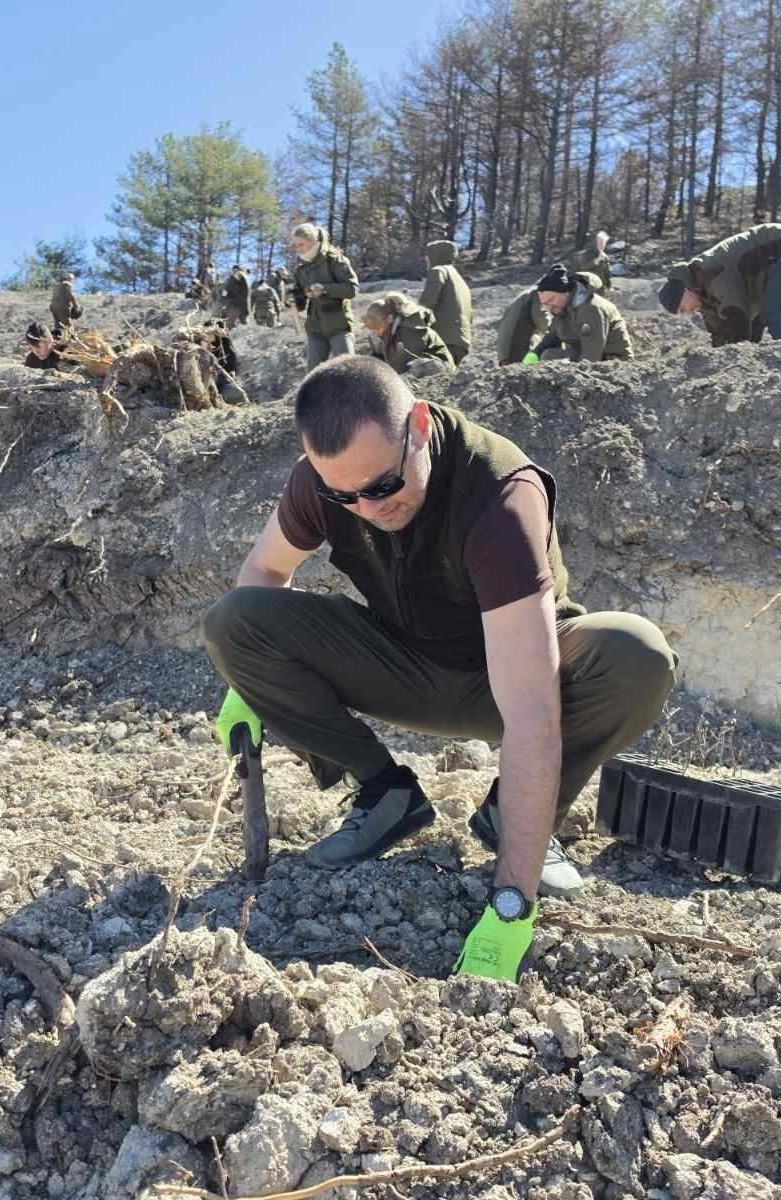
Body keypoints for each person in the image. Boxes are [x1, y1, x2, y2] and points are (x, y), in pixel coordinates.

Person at [203, 358, 677, 977]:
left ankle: (519, 822)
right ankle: (385, 796)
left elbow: (531, 712)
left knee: (636, 653)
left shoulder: (500, 498)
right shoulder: (329, 481)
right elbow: (266, 570)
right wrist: (246, 682)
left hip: (511, 674)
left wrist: (511, 904)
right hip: (402, 663)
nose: (366, 507)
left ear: (420, 426)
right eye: (344, 496)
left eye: (381, 486)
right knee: (234, 620)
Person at [658, 223, 781, 346]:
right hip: (770, 268)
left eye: (682, 308)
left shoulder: (711, 274)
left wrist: (735, 354)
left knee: (772, 311)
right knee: (756, 323)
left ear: (686, 290)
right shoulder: (701, 293)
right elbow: (719, 330)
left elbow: (738, 316)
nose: (688, 313)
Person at [290, 222, 360, 368]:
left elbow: (352, 289)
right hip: (315, 330)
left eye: (301, 244)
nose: (298, 249)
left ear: (313, 241)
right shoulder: (300, 269)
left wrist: (325, 289)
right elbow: (300, 301)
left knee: (348, 371)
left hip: (339, 326)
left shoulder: (335, 260)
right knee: (313, 375)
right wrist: (292, 300)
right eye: (295, 246)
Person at [534, 265, 634, 362]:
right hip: (586, 352)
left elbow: (592, 353)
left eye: (551, 300)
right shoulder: (561, 309)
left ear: (566, 293)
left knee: (550, 357)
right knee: (549, 355)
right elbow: (551, 339)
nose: (549, 307)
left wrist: (575, 370)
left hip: (613, 360)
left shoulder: (591, 309)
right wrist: (534, 355)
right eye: (545, 303)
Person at [361, 293, 454, 376]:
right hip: (411, 367)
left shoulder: (410, 331)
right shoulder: (385, 331)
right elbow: (380, 360)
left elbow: (409, 365)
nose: (374, 331)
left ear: (389, 318)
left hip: (438, 368)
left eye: (376, 325)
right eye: (371, 326)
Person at [419, 239, 473, 365]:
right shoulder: (461, 281)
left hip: (443, 338)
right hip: (461, 342)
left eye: (429, 256)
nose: (427, 260)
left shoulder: (438, 271)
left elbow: (427, 302)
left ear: (435, 255)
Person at [495, 285, 552, 366]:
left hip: (504, 354)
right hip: (518, 352)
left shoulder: (524, 295)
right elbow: (542, 320)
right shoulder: (537, 294)